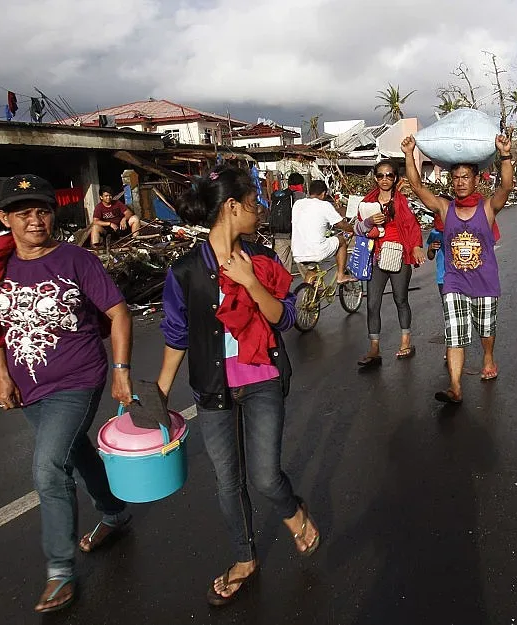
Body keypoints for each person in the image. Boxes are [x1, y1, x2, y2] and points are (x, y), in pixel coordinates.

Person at [0, 175, 134, 613]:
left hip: (77, 378)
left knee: (47, 468)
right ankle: (114, 512)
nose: (35, 220)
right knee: (75, 451)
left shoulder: (77, 260)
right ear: (3, 218)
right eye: (23, 213)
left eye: (41, 210)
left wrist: (120, 370)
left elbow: (117, 313)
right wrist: (1, 377)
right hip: (28, 384)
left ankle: (59, 570)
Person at [158, 165, 320, 607]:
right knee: (228, 482)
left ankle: (292, 510)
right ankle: (244, 559)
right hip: (212, 389)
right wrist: (160, 389)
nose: (260, 210)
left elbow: (284, 318)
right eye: (254, 203)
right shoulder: (187, 270)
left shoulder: (262, 257)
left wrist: (250, 282)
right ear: (232, 208)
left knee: (265, 476)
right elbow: (176, 333)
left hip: (263, 377)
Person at [402, 134, 514, 403]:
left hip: (485, 282)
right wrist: (408, 154)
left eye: (466, 177)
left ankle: (488, 356)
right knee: (454, 333)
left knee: (486, 330)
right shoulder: (444, 208)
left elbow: (506, 187)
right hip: (454, 282)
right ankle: (455, 386)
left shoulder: (487, 208)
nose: (460, 182)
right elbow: (416, 186)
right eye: (456, 178)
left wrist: (505, 155)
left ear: (476, 180)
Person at [354, 160, 426, 367]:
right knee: (372, 303)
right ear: (375, 178)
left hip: (400, 256)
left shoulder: (402, 202)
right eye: (380, 175)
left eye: (389, 175)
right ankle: (374, 348)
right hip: (377, 257)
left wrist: (415, 247)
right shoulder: (367, 203)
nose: (385, 179)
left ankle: (406, 341)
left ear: (395, 179)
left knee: (400, 300)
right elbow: (357, 229)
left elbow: (412, 225)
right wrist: (369, 223)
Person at [291, 179, 355, 283]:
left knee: (311, 270)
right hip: (317, 251)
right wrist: (352, 229)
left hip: (298, 251)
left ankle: (308, 296)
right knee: (341, 241)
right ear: (324, 193)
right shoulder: (324, 205)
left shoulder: (298, 204)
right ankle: (341, 275)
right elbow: (340, 224)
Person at [271, 172, 306, 272]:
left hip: (279, 235)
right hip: (296, 236)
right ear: (301, 184)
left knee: (282, 269)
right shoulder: (301, 196)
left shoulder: (279, 196)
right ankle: (314, 287)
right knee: (306, 268)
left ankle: (282, 287)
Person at [426, 211, 445, 299]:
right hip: (442, 277)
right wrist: (430, 248)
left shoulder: (459, 230)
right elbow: (430, 256)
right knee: (446, 306)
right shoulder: (435, 233)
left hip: (460, 275)